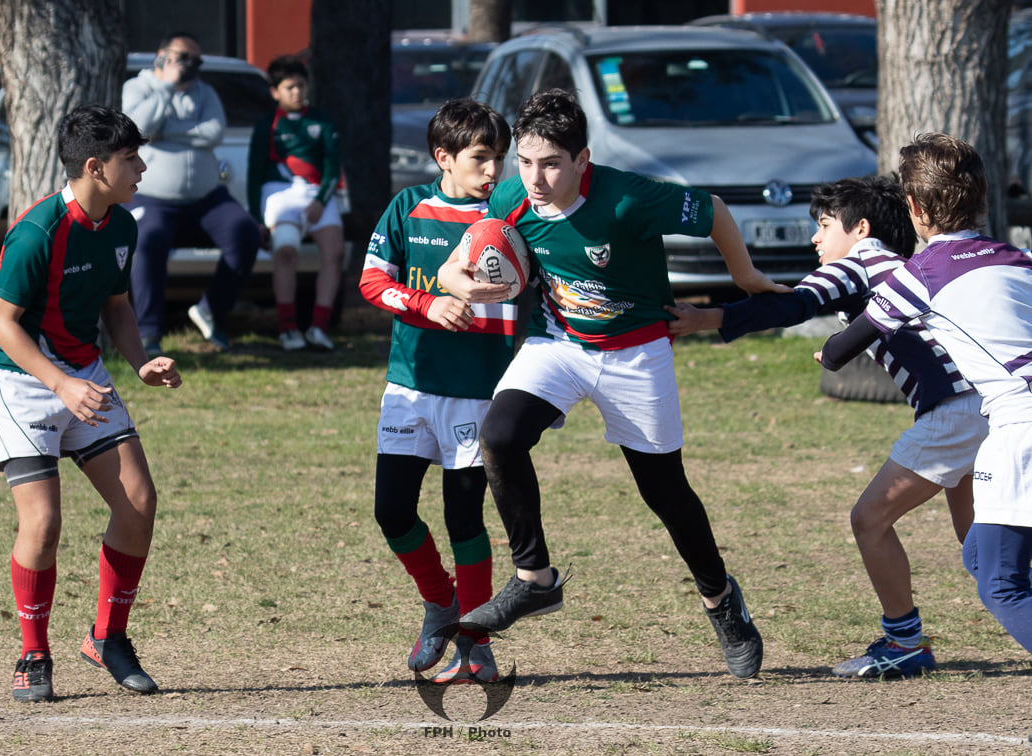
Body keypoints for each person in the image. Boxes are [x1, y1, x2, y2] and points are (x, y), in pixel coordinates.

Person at [437, 89, 784, 679]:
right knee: (496, 436)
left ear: (583, 159)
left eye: (550, 163)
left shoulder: (629, 199)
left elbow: (715, 210)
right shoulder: (513, 193)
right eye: (525, 161)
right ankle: (534, 579)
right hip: (558, 345)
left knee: (665, 493)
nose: (534, 177)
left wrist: (745, 277)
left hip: (635, 354)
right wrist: (457, 281)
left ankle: (721, 600)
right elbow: (466, 252)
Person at [667, 175, 988, 678]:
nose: (815, 239)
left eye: (822, 225)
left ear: (860, 229)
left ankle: (904, 643)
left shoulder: (860, 261)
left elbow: (793, 304)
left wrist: (704, 320)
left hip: (955, 411)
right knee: (984, 544)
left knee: (870, 520)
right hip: (989, 404)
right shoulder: (900, 267)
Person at [0, 104, 182, 703]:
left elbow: (117, 306)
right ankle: (33, 653)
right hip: (16, 376)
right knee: (43, 523)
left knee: (139, 500)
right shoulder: (37, 231)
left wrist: (140, 360)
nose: (142, 167)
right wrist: (60, 383)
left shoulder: (122, 224)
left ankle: (107, 637)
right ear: (95, 167)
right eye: (130, 159)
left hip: (81, 371)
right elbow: (3, 325)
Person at [820, 133, 1032, 661]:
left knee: (1001, 583)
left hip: (1020, 424)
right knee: (984, 556)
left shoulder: (922, 274)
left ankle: (904, 644)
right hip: (1010, 423)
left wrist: (829, 343)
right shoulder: (1020, 258)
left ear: (914, 208)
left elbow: (844, 348)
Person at [359, 98, 513, 682]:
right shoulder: (408, 207)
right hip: (411, 383)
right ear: (443, 157)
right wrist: (429, 304)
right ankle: (439, 603)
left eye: (499, 157)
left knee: (463, 517)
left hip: (478, 390)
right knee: (391, 510)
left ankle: (474, 639)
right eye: (480, 158)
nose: (493, 170)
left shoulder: (508, 215)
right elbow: (373, 282)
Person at [123, 31, 262, 353]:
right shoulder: (138, 87)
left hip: (206, 198)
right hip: (153, 199)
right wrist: (166, 88)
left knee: (246, 233)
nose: (191, 66)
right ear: (163, 57)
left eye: (195, 60)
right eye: (183, 58)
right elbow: (137, 130)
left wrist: (166, 134)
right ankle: (149, 333)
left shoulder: (205, 92)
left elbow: (213, 133)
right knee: (147, 241)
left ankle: (211, 309)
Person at [248, 54, 344, 352]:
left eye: (301, 86)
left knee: (335, 253)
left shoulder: (322, 120)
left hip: (317, 193)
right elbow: (254, 173)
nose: (297, 92)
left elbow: (333, 165)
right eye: (289, 87)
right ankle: (288, 329)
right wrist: (258, 219)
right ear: (275, 92)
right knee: (286, 251)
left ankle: (319, 327)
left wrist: (320, 200)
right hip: (279, 193)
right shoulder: (267, 126)